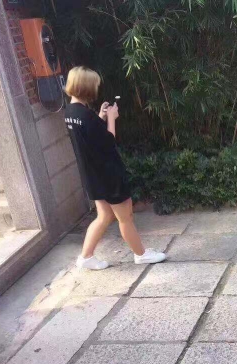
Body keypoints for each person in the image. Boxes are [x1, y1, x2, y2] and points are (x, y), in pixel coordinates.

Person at [64, 66, 166, 270]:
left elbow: (91, 136)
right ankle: (141, 255)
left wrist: (100, 117)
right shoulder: (86, 116)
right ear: (85, 87)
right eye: (94, 85)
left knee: (104, 216)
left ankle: (86, 257)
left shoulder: (71, 112)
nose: (96, 89)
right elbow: (109, 141)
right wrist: (111, 118)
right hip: (108, 173)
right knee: (125, 217)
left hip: (92, 175)